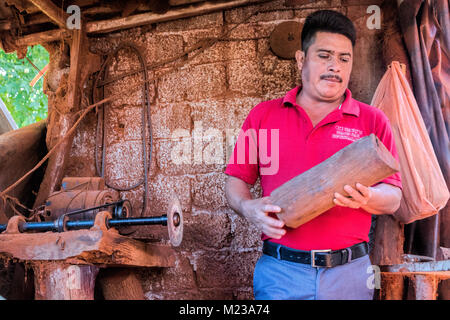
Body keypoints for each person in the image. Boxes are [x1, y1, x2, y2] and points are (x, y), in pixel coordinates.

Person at [224, 10, 402, 300]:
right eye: (324, 55)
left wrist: (368, 198)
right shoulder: (263, 117)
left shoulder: (372, 121)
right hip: (280, 271)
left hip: (350, 274)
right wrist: (248, 208)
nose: (335, 67)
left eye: (344, 58)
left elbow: (394, 197)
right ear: (301, 59)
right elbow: (235, 181)